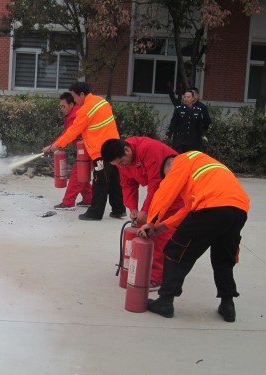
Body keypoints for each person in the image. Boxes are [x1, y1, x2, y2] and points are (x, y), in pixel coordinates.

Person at [138, 151, 250, 322]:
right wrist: (163, 226)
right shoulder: (205, 168)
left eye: (169, 176)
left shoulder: (182, 160)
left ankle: (165, 301)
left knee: (175, 251)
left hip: (211, 208)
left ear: (170, 166)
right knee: (223, 258)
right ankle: (228, 305)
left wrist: (152, 221)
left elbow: (166, 192)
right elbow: (188, 209)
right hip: (238, 210)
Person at [101, 137, 184, 291]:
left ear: (127, 150)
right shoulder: (123, 161)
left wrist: (146, 212)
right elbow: (127, 184)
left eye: (121, 162)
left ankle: (157, 277)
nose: (121, 166)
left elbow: (156, 183)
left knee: (158, 230)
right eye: (117, 165)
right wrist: (133, 208)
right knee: (142, 227)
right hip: (161, 190)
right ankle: (142, 267)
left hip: (177, 190)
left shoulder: (148, 149)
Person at [42, 82, 126, 221]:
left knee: (100, 183)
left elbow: (73, 132)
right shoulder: (102, 102)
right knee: (114, 182)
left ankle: (95, 213)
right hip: (115, 148)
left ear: (81, 94)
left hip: (101, 152)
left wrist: (57, 145)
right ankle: (119, 210)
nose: (74, 101)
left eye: (75, 97)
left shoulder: (85, 110)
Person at [52, 92, 92, 211]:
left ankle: (68, 202)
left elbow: (69, 133)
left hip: (88, 149)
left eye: (63, 106)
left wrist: (55, 145)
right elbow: (67, 134)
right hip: (84, 149)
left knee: (77, 175)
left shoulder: (76, 116)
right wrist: (53, 145)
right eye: (60, 106)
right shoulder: (71, 115)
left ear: (71, 104)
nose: (61, 109)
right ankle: (89, 199)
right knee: (81, 175)